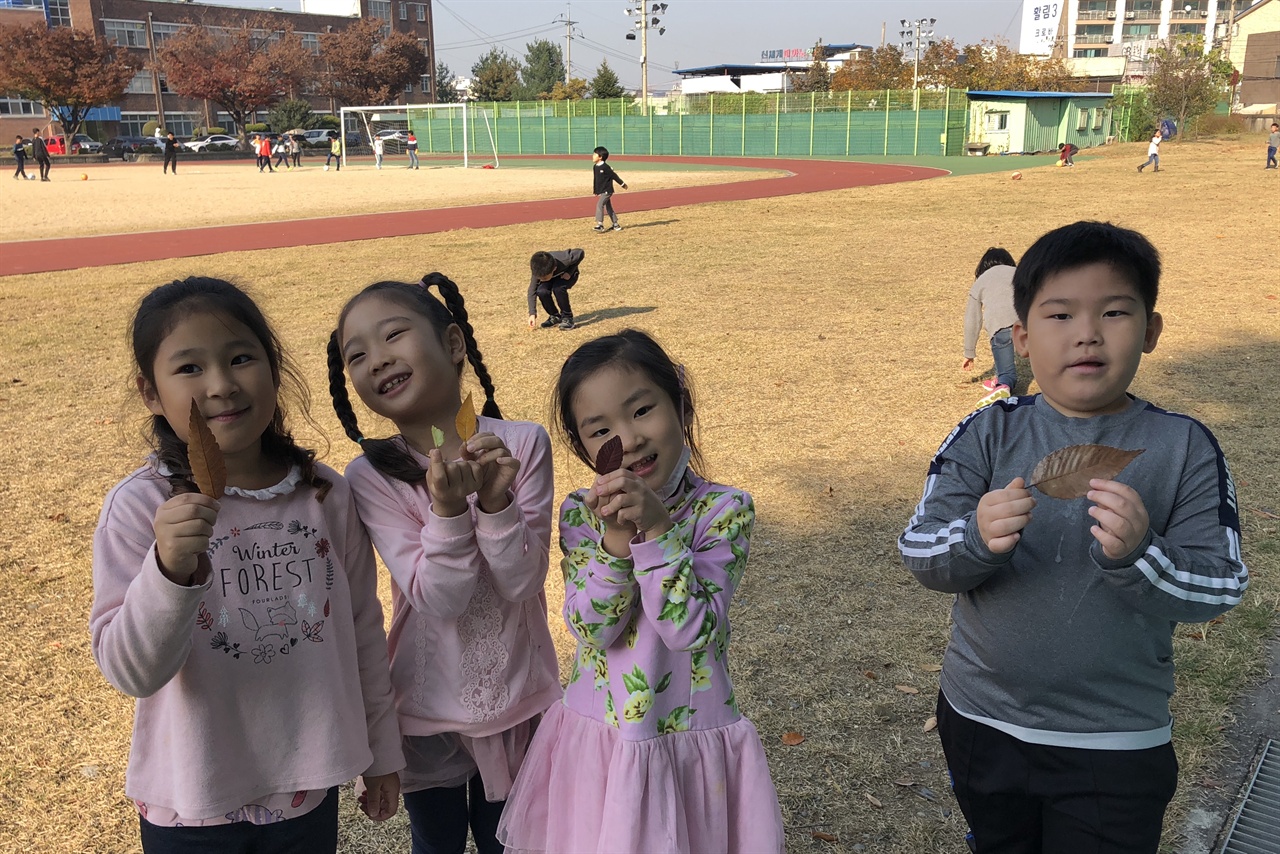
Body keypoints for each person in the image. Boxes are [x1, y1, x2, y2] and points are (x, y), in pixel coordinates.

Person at [898, 221, 1249, 854]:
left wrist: (1145, 555)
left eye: (1114, 311)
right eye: (1060, 314)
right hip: (983, 723)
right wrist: (975, 538)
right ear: (1024, 339)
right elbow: (920, 550)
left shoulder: (1183, 445)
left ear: (1150, 331)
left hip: (1114, 744)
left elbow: (1221, 584)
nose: (1086, 332)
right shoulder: (987, 434)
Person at [90, 277, 405, 853]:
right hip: (190, 800)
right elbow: (131, 672)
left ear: (274, 368)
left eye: (241, 358)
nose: (221, 385)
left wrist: (381, 752)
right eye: (189, 368)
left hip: (304, 790)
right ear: (151, 394)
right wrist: (167, 572)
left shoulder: (323, 495)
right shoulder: (141, 506)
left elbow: (362, 627)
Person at [497, 329, 786, 854]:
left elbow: (689, 628)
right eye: (600, 429)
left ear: (679, 403)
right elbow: (592, 626)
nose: (627, 440)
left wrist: (657, 532)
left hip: (687, 737)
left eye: (641, 411)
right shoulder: (581, 516)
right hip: (600, 741)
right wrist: (615, 541)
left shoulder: (723, 511)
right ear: (583, 446)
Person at [328, 274, 560, 854]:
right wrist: (450, 511)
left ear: (453, 343)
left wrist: (498, 503)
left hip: (517, 699)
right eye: (357, 356)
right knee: (435, 843)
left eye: (393, 337)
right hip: (426, 710)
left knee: (510, 841)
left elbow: (523, 580)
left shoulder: (523, 445)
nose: (376, 361)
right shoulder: (371, 476)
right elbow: (439, 597)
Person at [962, 247, 1019, 406]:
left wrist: (969, 354)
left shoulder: (981, 281)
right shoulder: (1019, 273)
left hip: (1000, 326)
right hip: (1028, 324)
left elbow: (972, 320)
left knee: (1007, 373)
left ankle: (1003, 384)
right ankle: (1000, 379)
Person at [526, 249, 584, 331]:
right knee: (541, 291)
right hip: (552, 277)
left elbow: (580, 252)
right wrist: (532, 314)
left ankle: (567, 318)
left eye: (544, 278)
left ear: (554, 268)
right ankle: (555, 316)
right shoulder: (538, 270)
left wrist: (570, 272)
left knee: (558, 288)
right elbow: (532, 291)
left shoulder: (565, 259)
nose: (541, 280)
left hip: (566, 275)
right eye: (540, 278)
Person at [591, 146, 627, 232]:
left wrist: (622, 184)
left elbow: (614, 176)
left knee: (600, 205)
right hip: (602, 191)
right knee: (609, 207)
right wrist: (596, 190)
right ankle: (616, 225)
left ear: (600, 157)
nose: (592, 156)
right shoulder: (595, 167)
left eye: (594, 154)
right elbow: (596, 179)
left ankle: (600, 225)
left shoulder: (606, 167)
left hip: (607, 191)